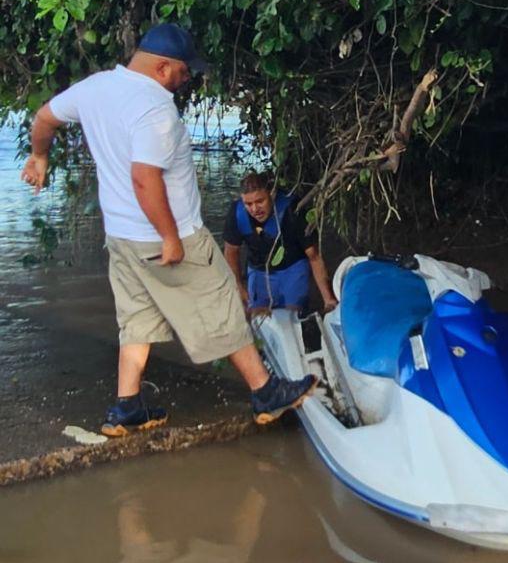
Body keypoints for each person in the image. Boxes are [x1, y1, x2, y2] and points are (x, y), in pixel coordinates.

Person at [20, 23, 316, 437]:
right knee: (220, 305)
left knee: (137, 316)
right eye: (184, 71)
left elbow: (44, 117)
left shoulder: (96, 87)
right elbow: (145, 178)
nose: (188, 78)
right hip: (166, 233)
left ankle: (127, 407)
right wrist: (171, 236)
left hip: (122, 236)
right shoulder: (156, 109)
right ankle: (266, 392)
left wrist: (39, 157)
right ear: (162, 67)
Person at [222, 172, 337, 314]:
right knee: (258, 317)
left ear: (272, 194)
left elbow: (313, 255)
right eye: (248, 204)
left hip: (293, 269)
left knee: (294, 318)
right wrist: (238, 287)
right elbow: (231, 251)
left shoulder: (292, 209)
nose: (254, 209)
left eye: (260, 201)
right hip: (259, 270)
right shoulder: (237, 213)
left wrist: (328, 298)